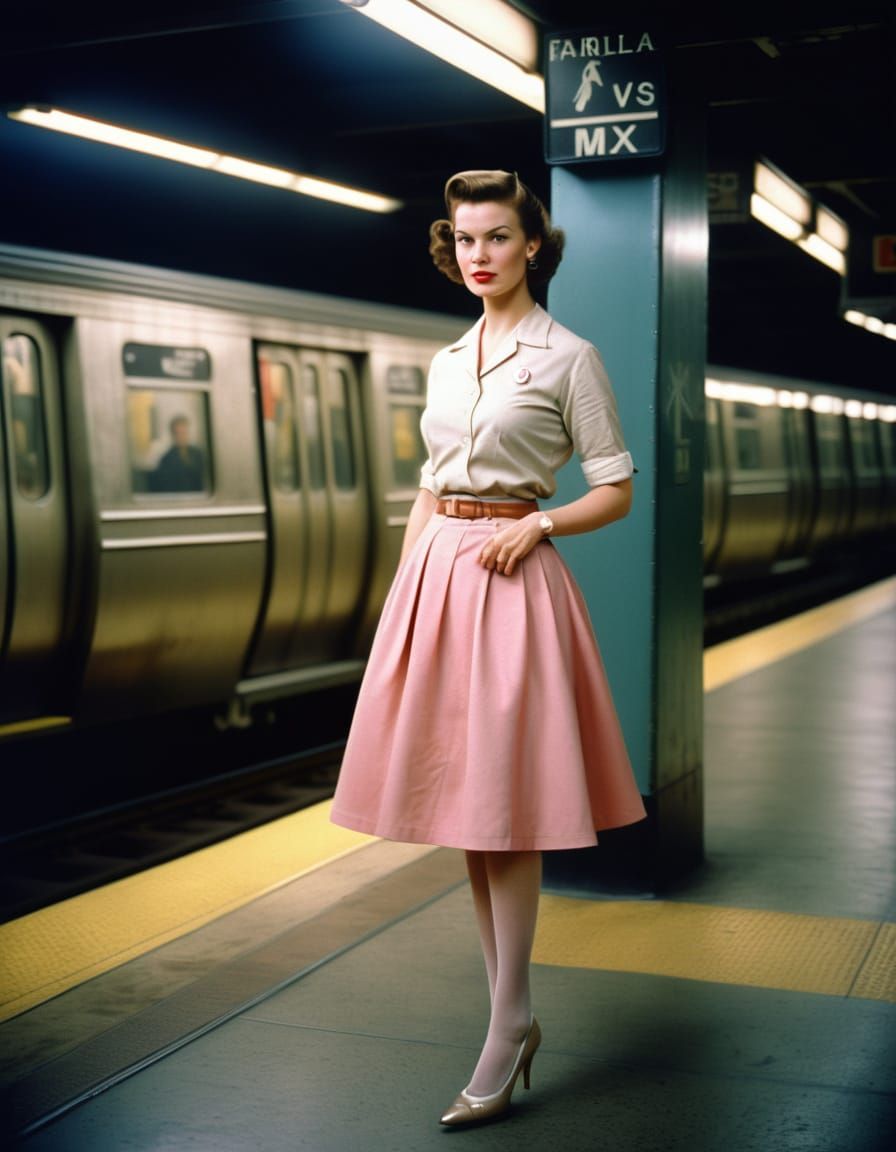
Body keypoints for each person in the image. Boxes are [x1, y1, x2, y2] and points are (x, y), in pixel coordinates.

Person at [329, 169, 647, 1128]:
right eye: (465, 240)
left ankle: (508, 1027)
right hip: (440, 581)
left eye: (498, 238)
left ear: (533, 248)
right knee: (472, 817)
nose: (479, 256)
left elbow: (617, 486)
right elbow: (429, 485)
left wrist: (544, 525)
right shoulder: (447, 356)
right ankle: (511, 1017)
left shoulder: (570, 358)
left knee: (506, 812)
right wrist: (401, 593)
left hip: (514, 582)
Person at [150, 414, 205, 492]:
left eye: (184, 433)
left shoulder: (198, 454)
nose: (181, 436)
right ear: (173, 434)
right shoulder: (166, 459)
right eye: (178, 433)